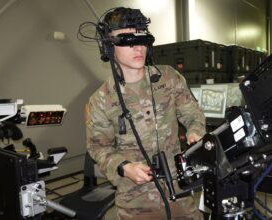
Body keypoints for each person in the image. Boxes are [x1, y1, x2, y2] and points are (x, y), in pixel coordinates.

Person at [84, 7, 206, 220]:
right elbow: (98, 147)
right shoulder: (101, 99)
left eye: (140, 39)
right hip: (135, 201)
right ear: (108, 46)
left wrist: (196, 132)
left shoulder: (168, 78)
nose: (137, 47)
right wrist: (124, 167)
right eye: (126, 40)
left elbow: (193, 114)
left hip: (179, 192)